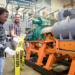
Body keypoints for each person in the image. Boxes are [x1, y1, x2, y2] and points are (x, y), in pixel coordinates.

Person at [0, 7, 16, 75]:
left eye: (7, 17)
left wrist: (13, 39)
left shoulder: (1, 26)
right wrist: (5, 49)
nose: (6, 19)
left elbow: (3, 38)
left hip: (1, 54)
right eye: (5, 16)